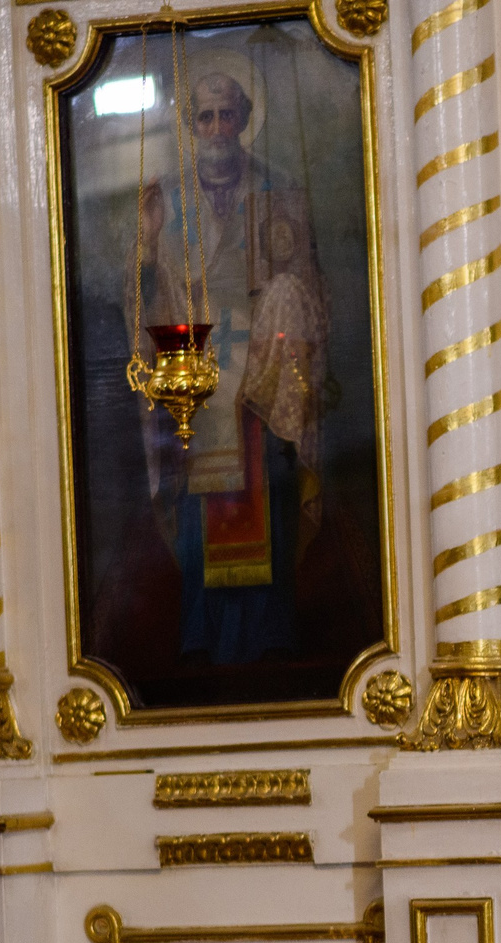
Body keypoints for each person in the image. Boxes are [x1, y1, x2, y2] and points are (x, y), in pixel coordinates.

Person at [127, 62, 329, 666]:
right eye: (206, 116)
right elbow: (142, 299)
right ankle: (200, 635)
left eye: (228, 114)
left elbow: (310, 294)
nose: (218, 127)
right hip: (198, 373)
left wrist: (278, 323)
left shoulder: (278, 188)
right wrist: (146, 240)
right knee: (201, 479)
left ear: (245, 119)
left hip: (266, 376)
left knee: (267, 473)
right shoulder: (167, 198)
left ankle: (270, 634)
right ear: (193, 125)